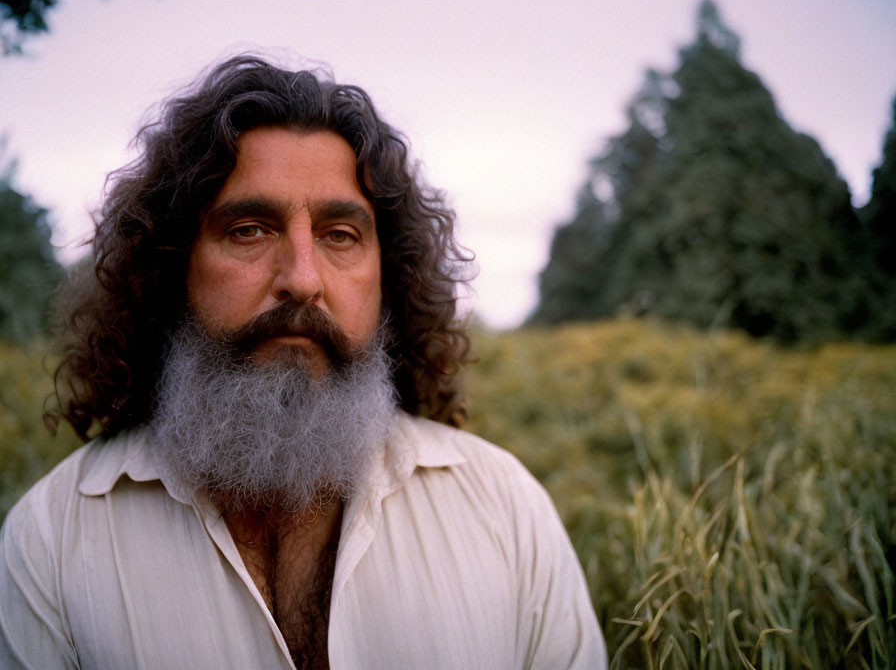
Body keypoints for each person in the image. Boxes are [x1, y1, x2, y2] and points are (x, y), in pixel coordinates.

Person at [0, 55, 607, 669]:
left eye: (339, 235)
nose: (303, 279)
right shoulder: (52, 540)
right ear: (171, 267)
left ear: (387, 278)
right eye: (249, 230)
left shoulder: (504, 509)